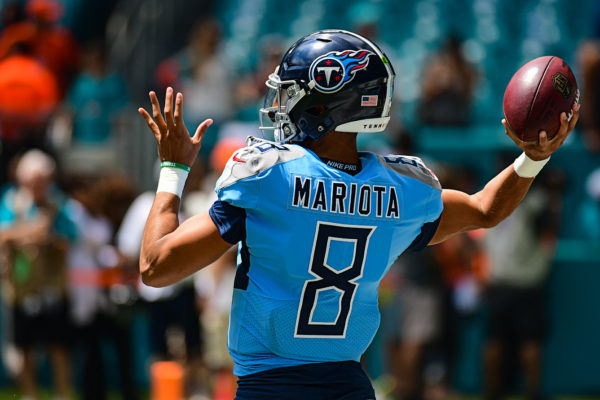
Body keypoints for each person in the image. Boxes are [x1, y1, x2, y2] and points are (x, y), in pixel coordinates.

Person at [137, 30, 579, 399]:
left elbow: (156, 267)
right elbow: (485, 208)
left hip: (269, 386)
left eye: (292, 94)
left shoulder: (269, 178)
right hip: (350, 386)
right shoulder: (402, 189)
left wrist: (173, 169)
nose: (281, 104)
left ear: (324, 104)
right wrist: (534, 159)